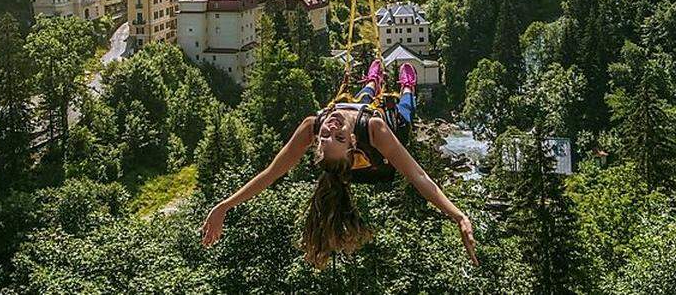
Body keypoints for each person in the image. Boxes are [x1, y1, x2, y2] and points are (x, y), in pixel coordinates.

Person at [200, 60, 478, 268]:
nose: (331, 127)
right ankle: (408, 86)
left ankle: (373, 80)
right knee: (403, 111)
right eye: (338, 137)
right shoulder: (374, 129)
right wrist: (458, 215)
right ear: (352, 142)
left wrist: (224, 206)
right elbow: (417, 176)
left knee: (361, 100)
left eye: (327, 136)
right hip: (383, 151)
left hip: (359, 112)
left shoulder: (314, 124)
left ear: (316, 140)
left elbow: (272, 172)